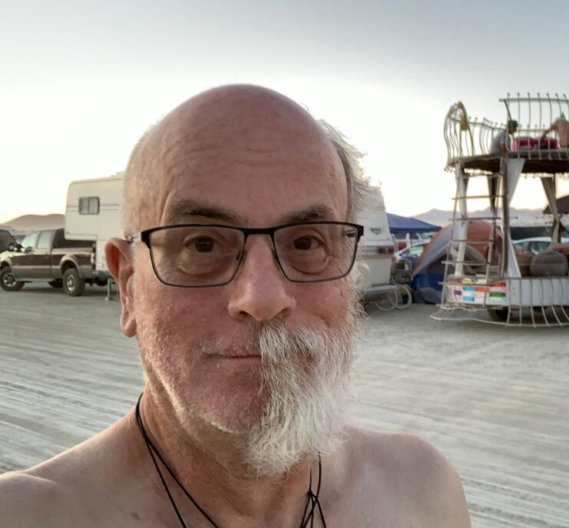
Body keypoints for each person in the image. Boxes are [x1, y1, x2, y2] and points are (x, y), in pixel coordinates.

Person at [0, 85, 471, 527]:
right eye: (202, 245)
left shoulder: (423, 495)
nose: (263, 299)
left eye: (307, 242)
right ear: (128, 287)